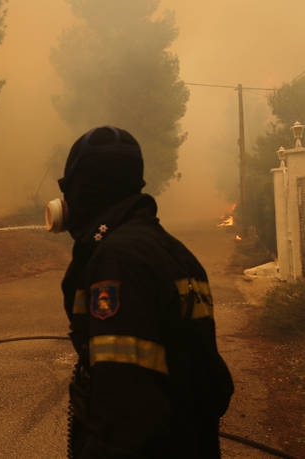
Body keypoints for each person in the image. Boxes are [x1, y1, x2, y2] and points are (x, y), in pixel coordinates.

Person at [56, 126, 234, 458]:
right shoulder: (177, 254)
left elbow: (124, 410)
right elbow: (214, 385)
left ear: (86, 189)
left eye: (71, 189)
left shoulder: (117, 261)